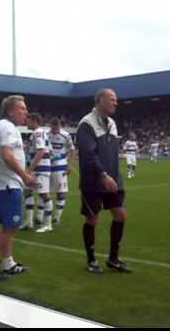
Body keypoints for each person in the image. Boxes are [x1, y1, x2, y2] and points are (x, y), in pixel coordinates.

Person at [0, 95, 37, 280]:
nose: (26, 112)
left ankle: (8, 262)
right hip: (7, 184)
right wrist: (26, 176)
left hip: (5, 183)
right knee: (11, 227)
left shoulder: (4, 126)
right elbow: (7, 155)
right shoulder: (6, 127)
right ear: (11, 111)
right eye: (22, 108)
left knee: (9, 226)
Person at [76, 88, 131, 274]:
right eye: (112, 99)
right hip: (94, 180)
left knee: (121, 215)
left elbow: (112, 153)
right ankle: (91, 260)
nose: (115, 103)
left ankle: (113, 259)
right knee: (92, 218)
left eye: (116, 99)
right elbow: (89, 155)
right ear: (100, 101)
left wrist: (114, 175)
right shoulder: (86, 124)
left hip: (113, 179)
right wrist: (103, 175)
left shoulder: (113, 123)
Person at [20, 113, 53, 233]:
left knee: (44, 194)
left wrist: (29, 170)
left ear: (34, 120)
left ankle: (48, 224)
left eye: (27, 120)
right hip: (38, 169)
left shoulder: (38, 132)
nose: (25, 122)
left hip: (40, 169)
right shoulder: (40, 133)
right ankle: (29, 222)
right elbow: (49, 151)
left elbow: (41, 152)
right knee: (27, 191)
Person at [47, 116, 75, 226]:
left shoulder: (66, 135)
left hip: (60, 166)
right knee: (45, 192)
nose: (54, 130)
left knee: (60, 191)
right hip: (47, 166)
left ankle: (57, 217)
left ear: (59, 126)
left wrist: (70, 165)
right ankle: (45, 216)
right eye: (52, 128)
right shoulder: (46, 135)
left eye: (56, 128)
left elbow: (72, 150)